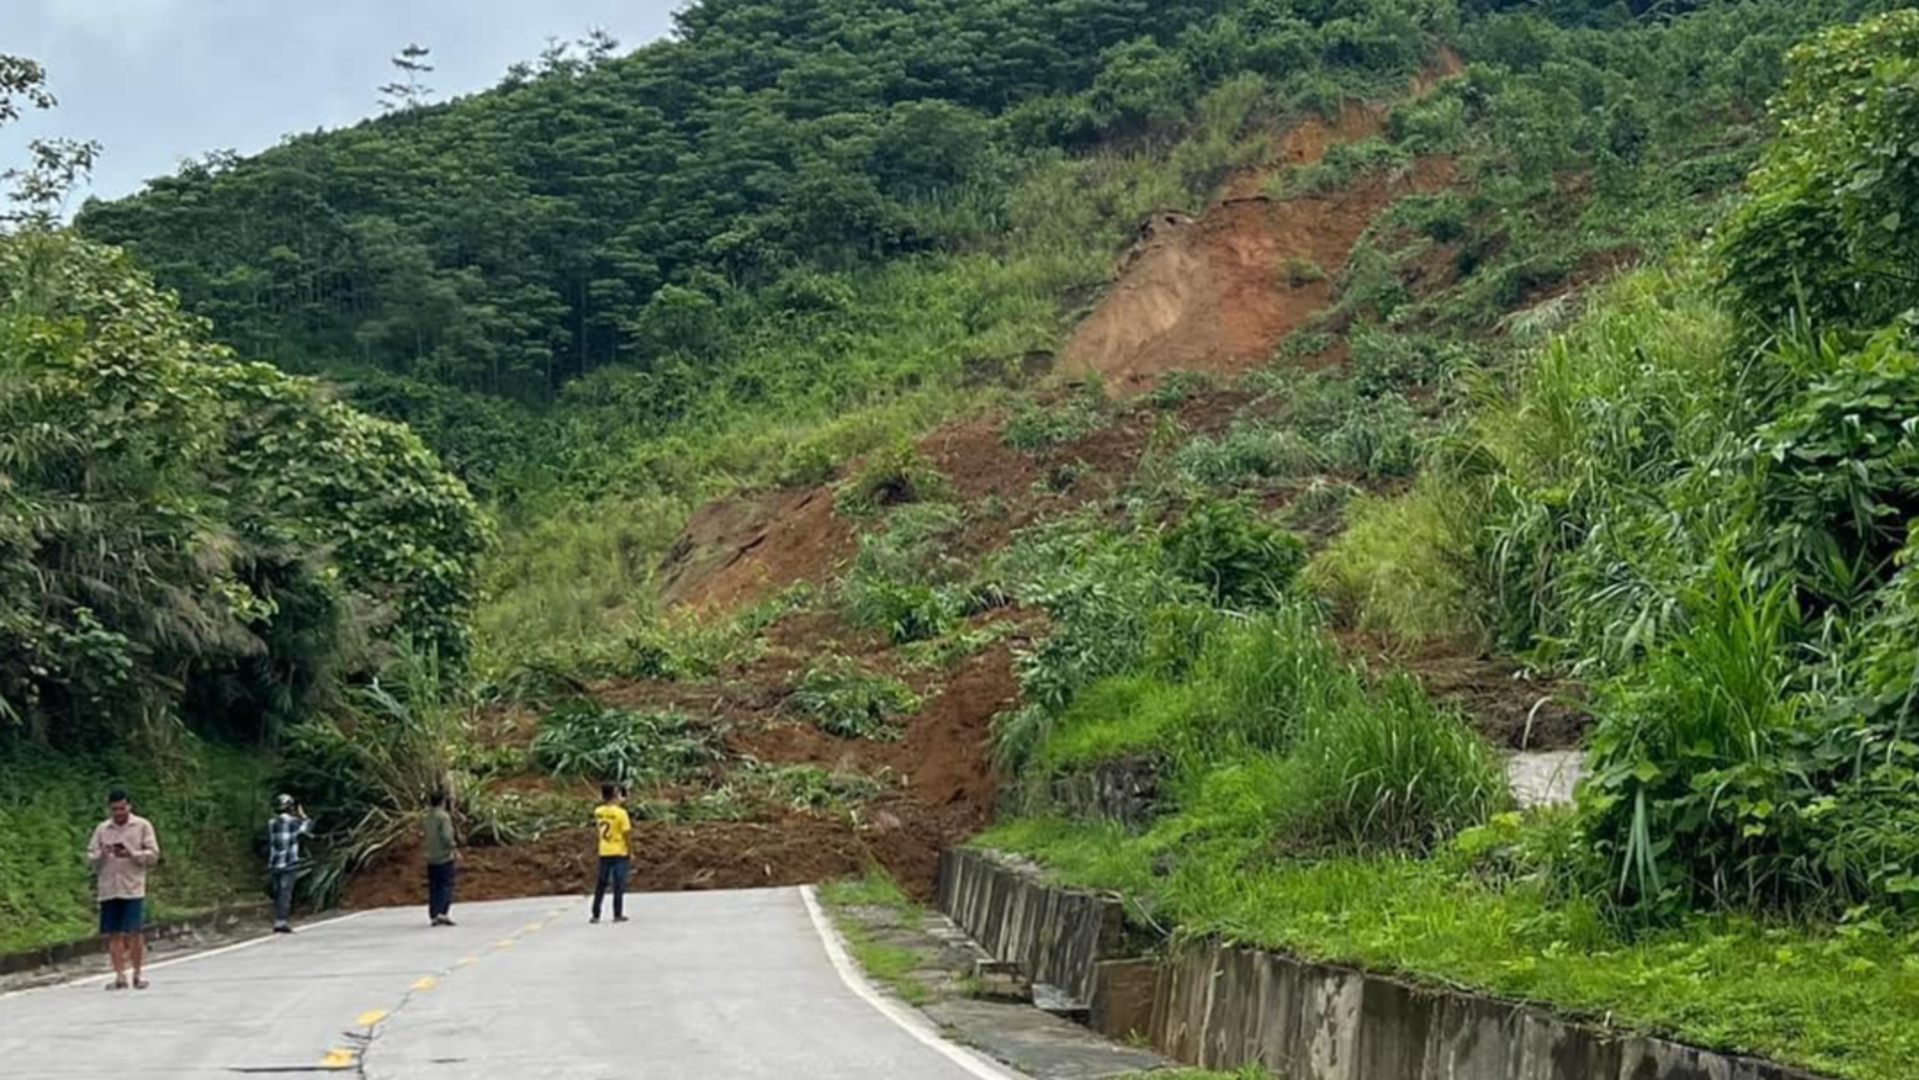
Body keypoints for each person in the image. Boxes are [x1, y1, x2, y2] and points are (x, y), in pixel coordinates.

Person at [86, 789, 160, 991]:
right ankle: (119, 975)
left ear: (129, 806)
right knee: (113, 933)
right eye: (114, 809)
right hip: (109, 887)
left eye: (121, 808)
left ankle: (137, 974)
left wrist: (132, 854)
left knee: (134, 932)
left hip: (132, 887)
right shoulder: (102, 829)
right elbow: (90, 856)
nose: (118, 812)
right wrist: (102, 854)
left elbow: (153, 855)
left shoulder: (142, 826)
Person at [266, 795, 312, 934]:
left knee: (278, 892)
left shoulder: (271, 823)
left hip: (274, 863)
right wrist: (303, 815)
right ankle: (281, 922)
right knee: (285, 893)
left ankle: (278, 918)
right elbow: (307, 827)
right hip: (289, 862)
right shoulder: (294, 823)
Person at [590, 782, 632, 925]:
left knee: (601, 883)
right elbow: (627, 834)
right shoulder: (622, 814)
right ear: (615, 795)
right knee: (618, 883)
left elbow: (607, 813)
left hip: (604, 850)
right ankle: (617, 913)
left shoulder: (598, 811)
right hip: (619, 851)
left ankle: (596, 913)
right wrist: (630, 850)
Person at [424, 790, 459, 927]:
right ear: (443, 801)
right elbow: (446, 836)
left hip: (431, 855)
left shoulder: (428, 817)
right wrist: (453, 846)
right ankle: (442, 913)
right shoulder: (443, 817)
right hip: (443, 855)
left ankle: (433, 913)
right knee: (446, 884)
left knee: (434, 886)